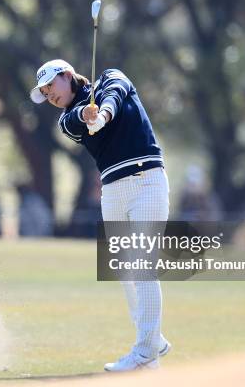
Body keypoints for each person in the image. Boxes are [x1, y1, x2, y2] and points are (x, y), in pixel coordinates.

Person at [30, 59, 171, 371]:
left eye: (51, 86)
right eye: (44, 93)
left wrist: (103, 112)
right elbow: (77, 120)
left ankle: (146, 352)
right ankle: (153, 340)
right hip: (113, 190)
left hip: (147, 180)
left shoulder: (111, 76)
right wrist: (87, 113)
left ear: (67, 76)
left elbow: (117, 92)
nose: (49, 95)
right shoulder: (66, 119)